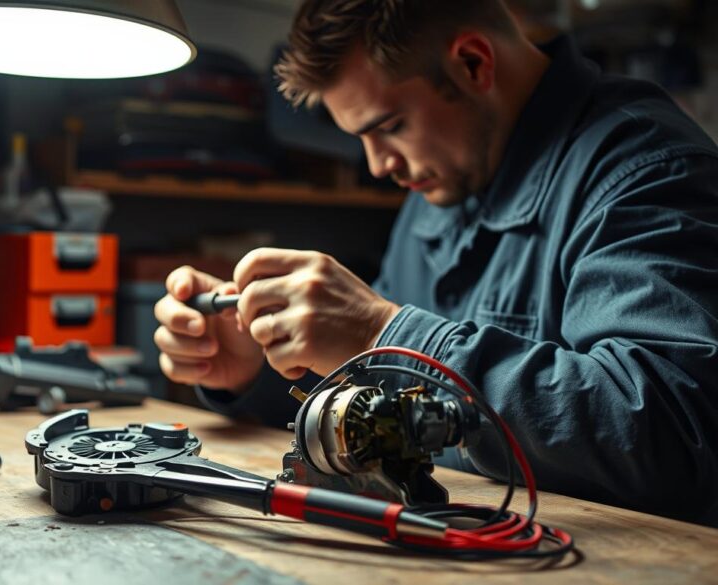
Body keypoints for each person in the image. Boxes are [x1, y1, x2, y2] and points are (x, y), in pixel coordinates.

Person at [152, 0, 718, 526]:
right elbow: (380, 404)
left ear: (473, 63)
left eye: (390, 127)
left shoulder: (646, 169)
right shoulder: (440, 185)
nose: (377, 165)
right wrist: (261, 368)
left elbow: (673, 433)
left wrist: (383, 332)